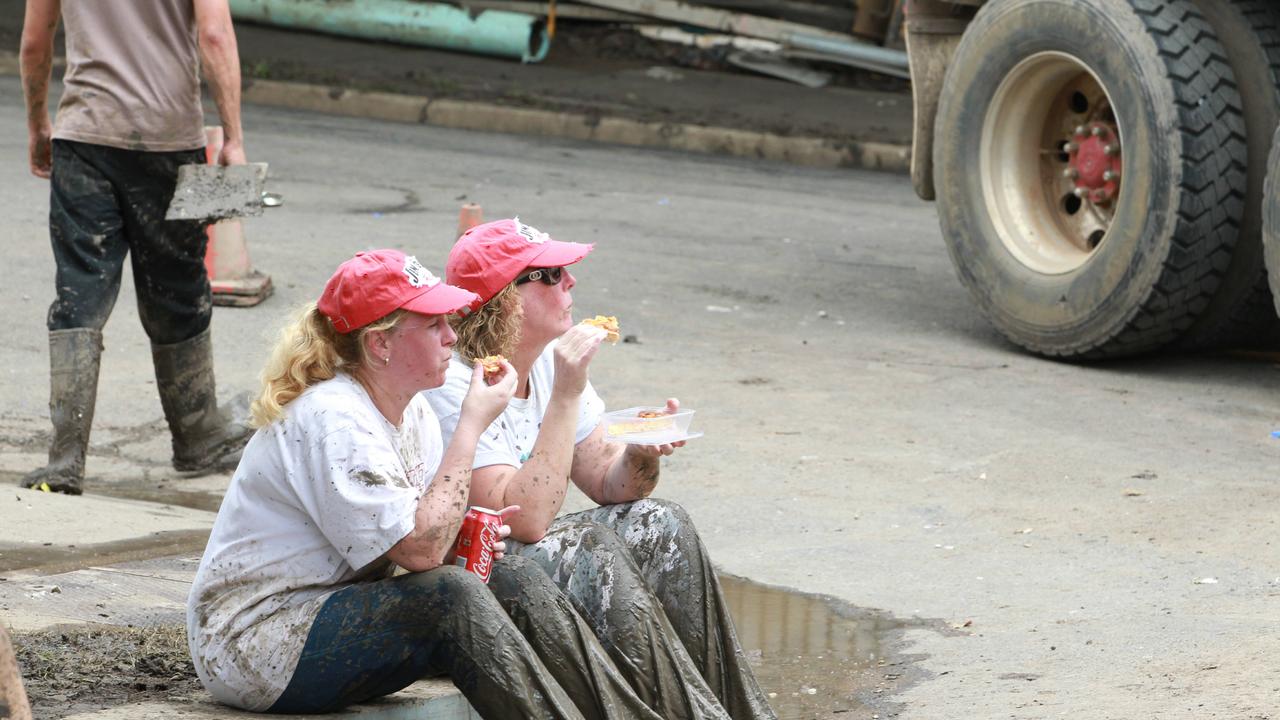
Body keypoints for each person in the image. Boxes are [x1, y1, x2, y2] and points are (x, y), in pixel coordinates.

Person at [187, 249, 688, 719]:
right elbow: (422, 552)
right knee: (450, 597)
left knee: (512, 576)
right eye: (433, 325)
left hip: (324, 609)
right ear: (380, 343)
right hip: (254, 643)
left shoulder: (412, 411)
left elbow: (431, 530)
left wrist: (478, 526)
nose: (452, 337)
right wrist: (470, 427)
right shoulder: (333, 418)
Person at [426, 218, 778, 720]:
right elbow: (523, 521)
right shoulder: (454, 384)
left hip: (529, 553)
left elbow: (611, 484)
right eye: (550, 274)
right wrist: (567, 392)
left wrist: (641, 453)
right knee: (587, 548)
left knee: (663, 523)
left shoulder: (549, 360)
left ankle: (734, 710)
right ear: (507, 300)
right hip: (484, 571)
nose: (570, 282)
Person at [18, 0, 252, 494]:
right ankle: (196, 437)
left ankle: (65, 460)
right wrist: (233, 137)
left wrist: (38, 119)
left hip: (84, 137)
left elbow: (37, 40)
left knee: (80, 290)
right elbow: (214, 36)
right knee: (177, 289)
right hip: (169, 140)